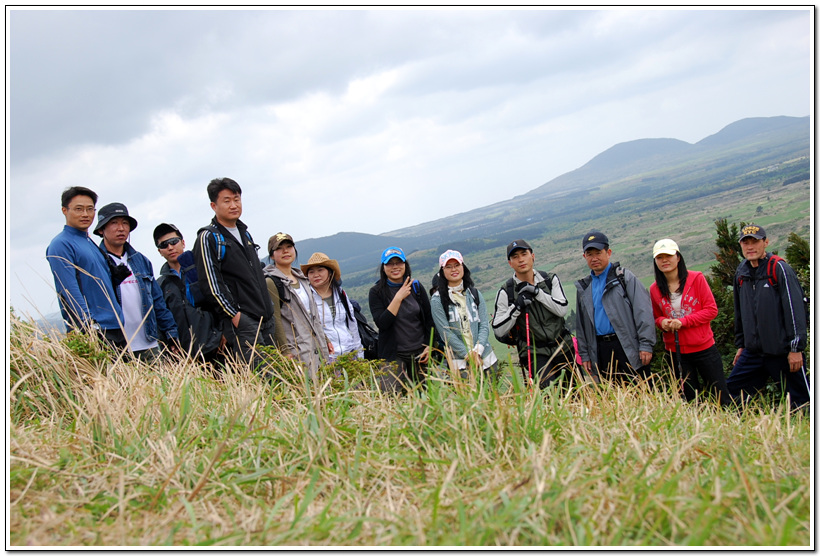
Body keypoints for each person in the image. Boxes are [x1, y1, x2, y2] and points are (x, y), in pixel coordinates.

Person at [192, 178, 276, 373]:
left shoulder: (244, 233)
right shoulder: (209, 237)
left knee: (275, 374)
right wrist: (235, 315)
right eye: (227, 200)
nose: (233, 205)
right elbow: (210, 284)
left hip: (265, 318)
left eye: (237, 199)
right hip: (244, 322)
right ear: (214, 205)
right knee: (260, 377)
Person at [726, 224, 810, 409]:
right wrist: (741, 345)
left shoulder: (779, 269)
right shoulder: (742, 272)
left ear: (765, 242)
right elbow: (740, 311)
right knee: (731, 393)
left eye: (755, 242)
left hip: (782, 352)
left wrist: (796, 348)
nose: (750, 247)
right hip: (753, 352)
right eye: (745, 243)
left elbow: (795, 310)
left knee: (802, 402)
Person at [649, 238, 732, 406]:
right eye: (659, 257)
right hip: (676, 352)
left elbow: (711, 310)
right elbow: (656, 317)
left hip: (704, 348)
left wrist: (684, 322)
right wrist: (663, 322)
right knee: (689, 400)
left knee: (720, 396)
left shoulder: (696, 278)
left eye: (669, 256)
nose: (664, 260)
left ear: (678, 257)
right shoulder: (654, 289)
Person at [94, 203, 179, 361]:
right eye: (114, 223)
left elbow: (157, 302)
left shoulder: (140, 261)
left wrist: (171, 333)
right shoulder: (97, 262)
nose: (121, 228)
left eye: (125, 223)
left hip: (149, 343)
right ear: (101, 229)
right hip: (116, 347)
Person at [46, 186, 126, 347]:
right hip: (94, 330)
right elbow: (68, 289)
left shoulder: (89, 242)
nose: (85, 214)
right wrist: (88, 326)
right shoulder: (61, 244)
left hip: (114, 326)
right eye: (78, 209)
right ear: (64, 210)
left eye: (90, 209)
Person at [575, 230, 655, 383]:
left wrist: (646, 344)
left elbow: (643, 312)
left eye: (598, 253)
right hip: (601, 351)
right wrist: (585, 355)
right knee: (614, 399)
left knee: (642, 395)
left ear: (608, 252)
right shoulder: (584, 288)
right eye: (589, 254)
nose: (594, 258)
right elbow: (581, 327)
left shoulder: (624, 278)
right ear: (584, 257)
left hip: (628, 347)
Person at [492, 239, 574, 388]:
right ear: (510, 263)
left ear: (533, 256)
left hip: (563, 346)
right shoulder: (507, 291)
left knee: (575, 393)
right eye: (515, 257)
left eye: (524, 254)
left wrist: (538, 293)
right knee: (549, 396)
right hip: (534, 353)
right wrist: (517, 307)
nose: (521, 259)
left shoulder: (549, 279)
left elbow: (561, 309)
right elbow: (498, 329)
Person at [262, 233, 330, 379]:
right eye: (279, 248)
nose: (285, 251)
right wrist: (285, 351)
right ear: (272, 256)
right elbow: (276, 319)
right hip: (296, 348)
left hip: (316, 345)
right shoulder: (271, 282)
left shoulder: (302, 279)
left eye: (289, 247)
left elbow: (313, 314)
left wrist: (325, 338)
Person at [154, 223, 224, 362]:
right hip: (186, 357)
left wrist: (225, 332)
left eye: (174, 241)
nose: (170, 247)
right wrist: (169, 347)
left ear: (183, 243)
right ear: (160, 251)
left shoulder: (204, 270)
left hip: (218, 347)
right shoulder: (160, 285)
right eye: (164, 245)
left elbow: (222, 300)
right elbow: (159, 320)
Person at [368, 247, 434, 392]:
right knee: (391, 397)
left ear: (405, 264)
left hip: (420, 352)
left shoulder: (416, 287)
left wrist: (429, 346)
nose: (395, 267)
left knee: (427, 394)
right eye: (390, 263)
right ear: (383, 267)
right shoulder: (376, 292)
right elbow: (382, 323)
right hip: (392, 355)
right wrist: (398, 297)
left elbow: (429, 320)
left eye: (399, 262)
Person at [431, 249, 498, 380]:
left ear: (463, 267)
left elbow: (484, 324)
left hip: (487, 360)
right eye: (448, 267)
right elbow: (446, 334)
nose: (453, 269)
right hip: (460, 366)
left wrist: (477, 351)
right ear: (442, 271)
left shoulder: (475, 293)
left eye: (457, 265)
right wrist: (468, 355)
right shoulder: (437, 300)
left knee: (493, 398)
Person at [301, 252, 364, 362]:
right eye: (311, 272)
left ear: (330, 273)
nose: (316, 275)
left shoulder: (340, 293)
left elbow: (352, 324)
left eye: (320, 270)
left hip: (349, 353)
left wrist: (359, 353)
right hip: (326, 357)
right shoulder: (306, 298)